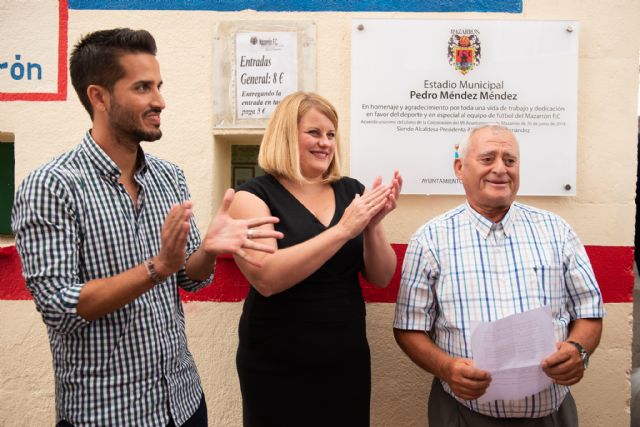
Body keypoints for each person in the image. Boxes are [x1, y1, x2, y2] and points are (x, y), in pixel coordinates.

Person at [12, 28, 282, 427]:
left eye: (158, 86)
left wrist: (207, 249)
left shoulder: (169, 177)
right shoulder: (51, 185)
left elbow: (190, 279)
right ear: (99, 97)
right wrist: (158, 266)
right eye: (142, 88)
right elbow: (60, 307)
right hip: (105, 412)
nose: (160, 101)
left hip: (182, 401)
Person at [393, 124, 604, 426]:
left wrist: (577, 349)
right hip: (463, 413)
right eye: (488, 158)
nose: (500, 169)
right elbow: (408, 328)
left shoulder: (557, 231)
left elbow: (590, 311)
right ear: (459, 168)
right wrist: (447, 368)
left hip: (551, 414)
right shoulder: (430, 240)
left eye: (510, 160)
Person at [228, 91, 402, 426]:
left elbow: (381, 277)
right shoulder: (251, 196)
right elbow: (267, 278)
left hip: (344, 357)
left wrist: (373, 225)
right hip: (275, 360)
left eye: (331, 135)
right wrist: (343, 229)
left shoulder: (351, 190)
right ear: (286, 136)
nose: (325, 142)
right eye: (314, 133)